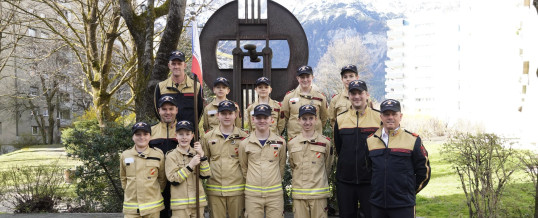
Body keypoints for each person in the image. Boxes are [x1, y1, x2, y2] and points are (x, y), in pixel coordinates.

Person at [366, 99, 431, 218]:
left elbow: (424, 172)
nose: (390, 117)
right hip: (377, 205)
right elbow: (369, 169)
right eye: (386, 114)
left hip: (403, 206)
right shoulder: (370, 141)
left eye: (394, 114)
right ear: (381, 116)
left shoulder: (413, 140)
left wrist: (409, 192)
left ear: (400, 116)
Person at [333, 80, 381, 218]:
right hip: (346, 182)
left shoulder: (379, 118)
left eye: (360, 93)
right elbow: (339, 147)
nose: (357, 96)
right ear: (349, 96)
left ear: (367, 94)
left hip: (370, 181)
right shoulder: (340, 119)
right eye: (353, 93)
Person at [202, 100, 249, 218]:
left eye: (230, 113)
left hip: (237, 189)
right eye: (223, 114)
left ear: (235, 115)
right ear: (218, 115)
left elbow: (247, 164)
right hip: (215, 189)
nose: (227, 116)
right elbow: (204, 161)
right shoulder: (208, 137)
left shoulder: (244, 137)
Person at [238, 104, 287, 218]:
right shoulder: (244, 143)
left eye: (265, 118)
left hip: (275, 194)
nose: (262, 121)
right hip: (252, 194)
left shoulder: (280, 142)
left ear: (271, 120)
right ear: (253, 119)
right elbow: (244, 167)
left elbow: (281, 165)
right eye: (259, 118)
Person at [287, 105, 333, 218]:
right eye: (304, 119)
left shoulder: (325, 143)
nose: (308, 122)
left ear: (316, 119)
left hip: (319, 195)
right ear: (298, 120)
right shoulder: (292, 143)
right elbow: (293, 166)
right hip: (299, 194)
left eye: (311, 118)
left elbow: (327, 167)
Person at [165, 120, 211, 218]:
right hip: (180, 206)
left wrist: (202, 156)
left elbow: (206, 175)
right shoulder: (171, 156)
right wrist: (190, 166)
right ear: (176, 136)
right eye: (181, 134)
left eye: (187, 134)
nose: (184, 137)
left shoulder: (197, 153)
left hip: (198, 203)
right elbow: (173, 179)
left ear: (192, 136)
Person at [120, 122, 166, 218]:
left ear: (150, 136)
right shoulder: (125, 155)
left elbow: (162, 179)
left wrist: (154, 191)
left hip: (152, 207)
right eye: (138, 134)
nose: (142, 137)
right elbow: (123, 178)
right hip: (131, 208)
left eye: (145, 134)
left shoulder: (158, 155)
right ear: (133, 137)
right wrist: (131, 190)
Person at [154, 50, 203, 124]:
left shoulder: (197, 86)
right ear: (169, 66)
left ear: (184, 65)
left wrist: (190, 127)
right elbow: (157, 110)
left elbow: (200, 110)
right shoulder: (160, 87)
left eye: (179, 64)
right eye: (173, 64)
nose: (176, 66)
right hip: (169, 133)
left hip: (189, 133)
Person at [149, 96, 179, 218]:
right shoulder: (150, 131)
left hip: (179, 182)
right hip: (157, 184)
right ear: (159, 110)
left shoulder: (185, 130)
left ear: (176, 110)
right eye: (164, 109)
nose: (168, 112)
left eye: (171, 109)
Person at [281, 65, 328, 139]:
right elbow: (284, 118)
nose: (305, 80)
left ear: (312, 77)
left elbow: (324, 118)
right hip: (295, 140)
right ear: (297, 78)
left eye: (307, 77)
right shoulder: (289, 97)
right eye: (302, 77)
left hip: (315, 139)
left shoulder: (320, 97)